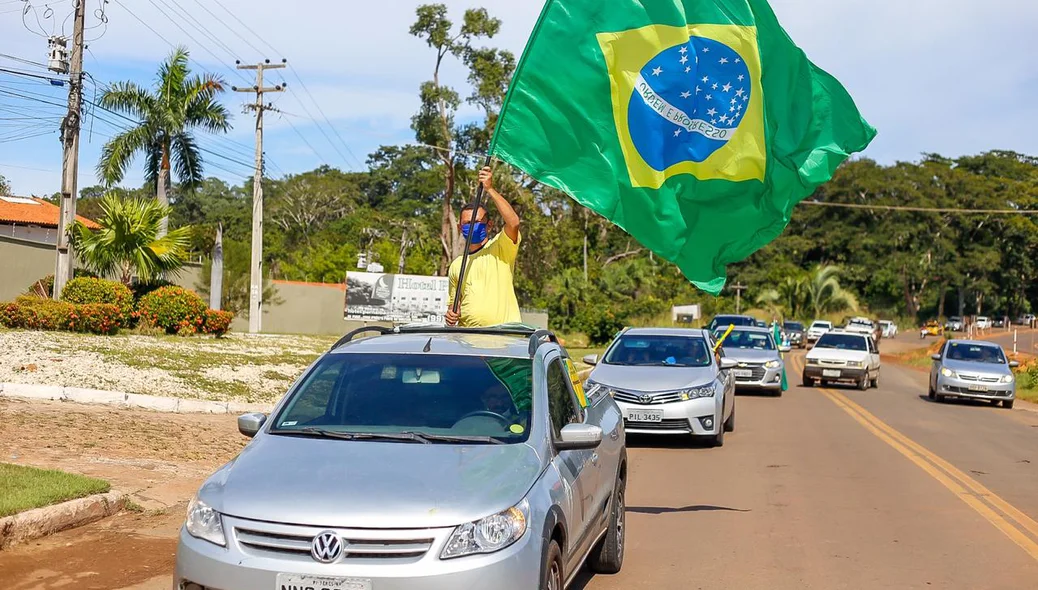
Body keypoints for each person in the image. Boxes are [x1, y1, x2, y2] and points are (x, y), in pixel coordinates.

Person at [445, 166, 522, 327]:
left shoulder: (500, 248)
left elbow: (513, 222)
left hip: (504, 337)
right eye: (467, 223)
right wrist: (452, 315)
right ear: (459, 228)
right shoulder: (456, 265)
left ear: (489, 225)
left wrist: (489, 189)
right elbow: (454, 306)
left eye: (478, 222)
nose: (472, 226)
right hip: (468, 339)